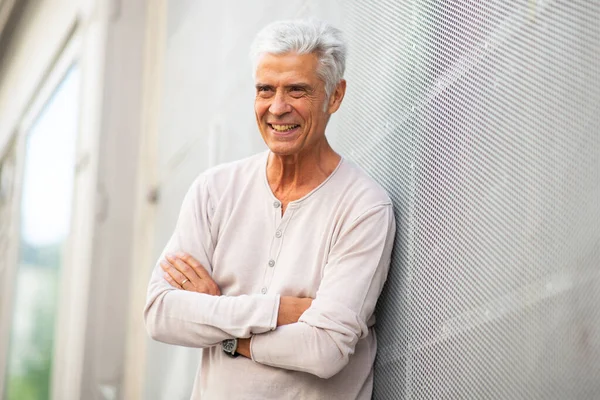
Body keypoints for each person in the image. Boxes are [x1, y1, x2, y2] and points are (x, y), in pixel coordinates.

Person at [144, 18, 396, 399]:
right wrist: (278, 310)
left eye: (297, 90)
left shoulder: (364, 206)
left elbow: (325, 350)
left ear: (335, 95)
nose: (277, 108)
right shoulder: (213, 190)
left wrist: (225, 330)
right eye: (265, 89)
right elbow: (161, 313)